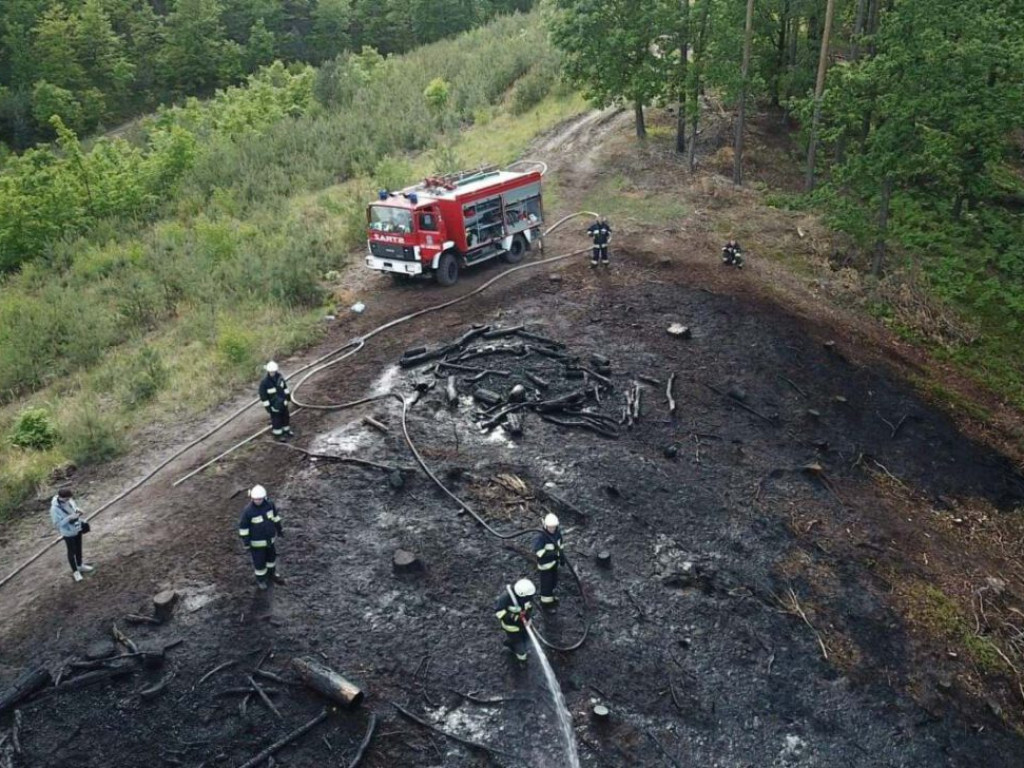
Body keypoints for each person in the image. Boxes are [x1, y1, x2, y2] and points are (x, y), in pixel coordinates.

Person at [238, 485, 285, 590]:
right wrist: (246, 543)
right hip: (256, 545)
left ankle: (272, 574)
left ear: (264, 497)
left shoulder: (270, 505)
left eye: (260, 499)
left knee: (271, 559)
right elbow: (243, 528)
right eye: (255, 499)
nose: (258, 501)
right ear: (252, 498)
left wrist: (279, 530)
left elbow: (275, 518)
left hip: (270, 541)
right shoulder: (248, 511)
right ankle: (261, 580)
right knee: (259, 563)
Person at [50, 487, 93, 582]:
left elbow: (74, 508)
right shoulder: (54, 509)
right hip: (68, 533)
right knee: (71, 551)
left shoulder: (70, 500)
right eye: (67, 499)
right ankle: (75, 572)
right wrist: (69, 518)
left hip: (77, 528)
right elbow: (57, 525)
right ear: (61, 497)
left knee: (78, 548)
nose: (68, 500)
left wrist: (78, 511)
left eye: (69, 498)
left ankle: (80, 565)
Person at [494, 578, 536, 663]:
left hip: (525, 625)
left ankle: (512, 643)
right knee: (519, 644)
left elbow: (529, 606)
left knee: (526, 639)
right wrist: (514, 617)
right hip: (512, 628)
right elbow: (499, 613)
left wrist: (528, 615)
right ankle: (522, 659)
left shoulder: (526, 597)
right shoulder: (506, 598)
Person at [534, 513, 565, 610]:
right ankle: (546, 605)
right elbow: (538, 551)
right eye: (550, 527)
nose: (552, 529)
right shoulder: (541, 537)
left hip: (554, 564)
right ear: (545, 526)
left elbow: (560, 546)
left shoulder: (558, 534)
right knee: (546, 586)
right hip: (545, 566)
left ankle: (551, 597)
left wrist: (562, 557)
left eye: (554, 527)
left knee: (553, 582)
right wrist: (553, 554)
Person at [259, 361, 293, 439]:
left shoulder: (280, 378)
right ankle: (278, 434)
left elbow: (285, 388)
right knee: (277, 420)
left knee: (286, 417)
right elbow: (263, 397)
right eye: (271, 372)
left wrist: (288, 397)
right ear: (268, 371)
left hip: (283, 403)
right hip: (274, 405)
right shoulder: (265, 383)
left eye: (273, 371)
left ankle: (286, 431)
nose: (272, 373)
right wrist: (268, 407)